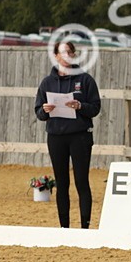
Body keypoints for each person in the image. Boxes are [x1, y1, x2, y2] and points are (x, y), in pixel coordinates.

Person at [34, 41, 102, 228]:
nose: (67, 56)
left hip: (80, 136)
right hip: (56, 137)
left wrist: (80, 106)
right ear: (56, 56)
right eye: (63, 53)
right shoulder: (47, 83)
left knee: (81, 181)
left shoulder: (86, 80)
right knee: (62, 183)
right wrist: (45, 110)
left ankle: (85, 227)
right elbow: (38, 112)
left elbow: (95, 108)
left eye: (70, 52)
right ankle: (64, 227)